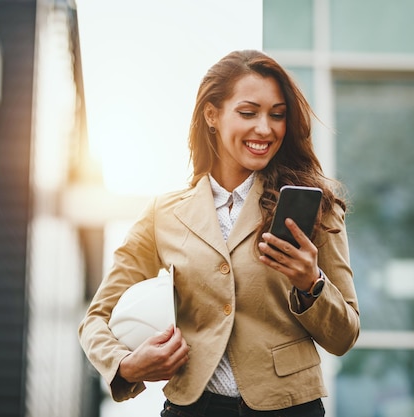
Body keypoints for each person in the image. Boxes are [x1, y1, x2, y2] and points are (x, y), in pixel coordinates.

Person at [78, 49, 360, 417]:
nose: (265, 128)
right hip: (193, 407)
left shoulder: (316, 208)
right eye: (248, 112)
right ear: (212, 114)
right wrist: (126, 365)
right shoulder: (164, 214)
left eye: (277, 115)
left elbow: (344, 336)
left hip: (289, 408)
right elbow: (97, 318)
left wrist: (312, 282)